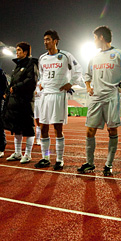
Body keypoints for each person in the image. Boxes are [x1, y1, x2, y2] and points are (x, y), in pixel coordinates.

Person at [78, 26, 121, 176]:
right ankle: (89, 163)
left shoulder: (120, 54)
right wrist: (88, 86)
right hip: (96, 98)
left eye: (94, 38)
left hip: (112, 97)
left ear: (101, 37)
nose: (93, 41)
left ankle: (108, 164)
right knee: (89, 131)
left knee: (112, 130)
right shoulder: (93, 58)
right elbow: (87, 75)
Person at [35, 30, 83, 170]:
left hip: (58, 94)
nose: (45, 42)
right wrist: (41, 85)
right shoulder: (42, 58)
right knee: (43, 127)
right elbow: (41, 75)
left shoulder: (65, 56)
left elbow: (78, 70)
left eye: (48, 39)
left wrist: (71, 83)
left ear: (55, 41)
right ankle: (45, 158)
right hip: (45, 95)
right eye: (44, 39)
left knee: (57, 128)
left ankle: (59, 160)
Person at [3, 42, 38, 163]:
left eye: (19, 50)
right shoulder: (17, 66)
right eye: (16, 50)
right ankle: (17, 153)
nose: (16, 52)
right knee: (16, 128)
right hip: (15, 101)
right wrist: (8, 92)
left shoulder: (31, 64)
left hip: (26, 101)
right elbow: (12, 82)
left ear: (25, 52)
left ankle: (27, 154)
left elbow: (31, 81)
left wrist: (16, 87)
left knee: (28, 128)